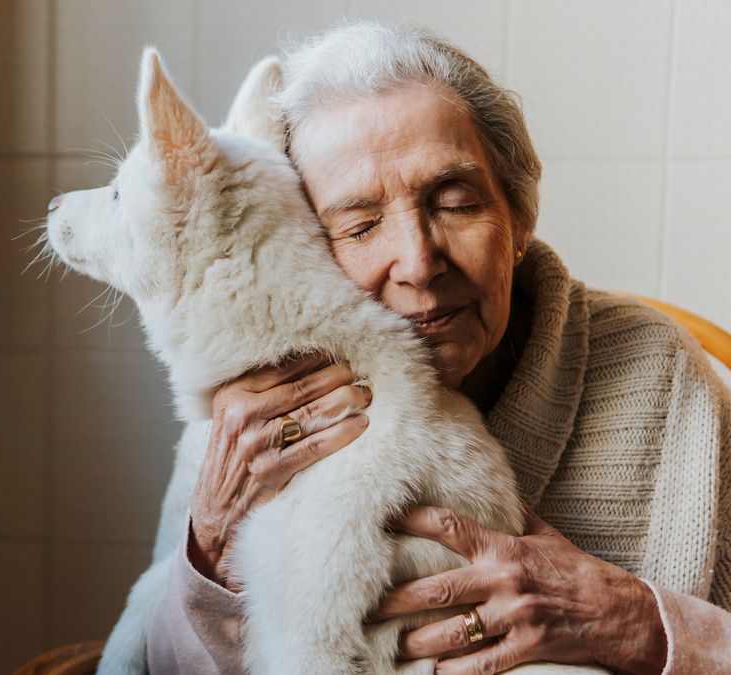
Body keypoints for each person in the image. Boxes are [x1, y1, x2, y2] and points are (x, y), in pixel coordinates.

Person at [145, 20, 731, 675]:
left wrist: (635, 620)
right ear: (302, 247)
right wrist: (214, 549)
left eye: (455, 203)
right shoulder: (257, 403)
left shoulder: (661, 373)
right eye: (360, 225)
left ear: (518, 219)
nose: (420, 262)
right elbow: (157, 662)